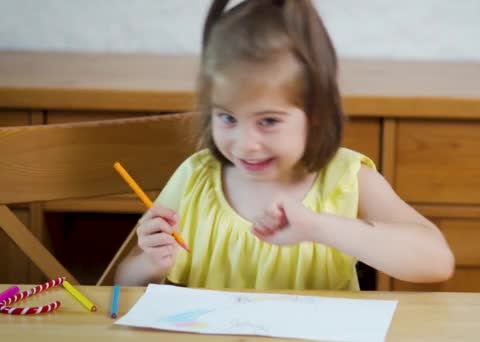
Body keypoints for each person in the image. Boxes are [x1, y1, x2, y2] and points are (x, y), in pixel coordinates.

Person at [115, 0, 454, 290]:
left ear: (316, 114)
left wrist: (319, 226)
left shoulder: (347, 179)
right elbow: (123, 284)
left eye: (269, 121)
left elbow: (437, 260)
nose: (246, 145)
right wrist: (150, 265)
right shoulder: (195, 178)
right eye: (228, 118)